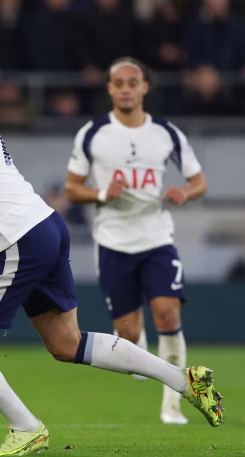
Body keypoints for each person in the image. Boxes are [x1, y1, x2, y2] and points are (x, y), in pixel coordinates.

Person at [0, 54, 222, 457]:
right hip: (47, 225)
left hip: (16, 240)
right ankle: (182, 379)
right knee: (66, 343)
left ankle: (26, 427)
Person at [65, 57, 209, 424]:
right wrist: (101, 193)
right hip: (113, 241)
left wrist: (186, 193)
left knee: (167, 312)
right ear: (110, 88)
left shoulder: (166, 133)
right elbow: (71, 188)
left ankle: (173, 403)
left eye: (133, 82)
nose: (126, 88)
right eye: (119, 82)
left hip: (156, 237)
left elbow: (199, 181)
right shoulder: (93, 133)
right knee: (128, 336)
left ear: (145, 87)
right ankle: (136, 352)